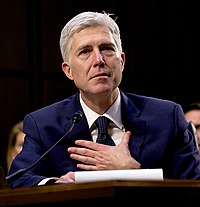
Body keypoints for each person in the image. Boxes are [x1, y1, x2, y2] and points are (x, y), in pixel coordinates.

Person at [8, 11, 200, 188]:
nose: (98, 60)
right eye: (85, 52)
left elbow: (193, 186)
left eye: (107, 48)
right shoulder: (44, 124)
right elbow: (18, 178)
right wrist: (57, 186)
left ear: (122, 61)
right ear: (68, 71)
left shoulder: (167, 117)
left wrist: (135, 174)